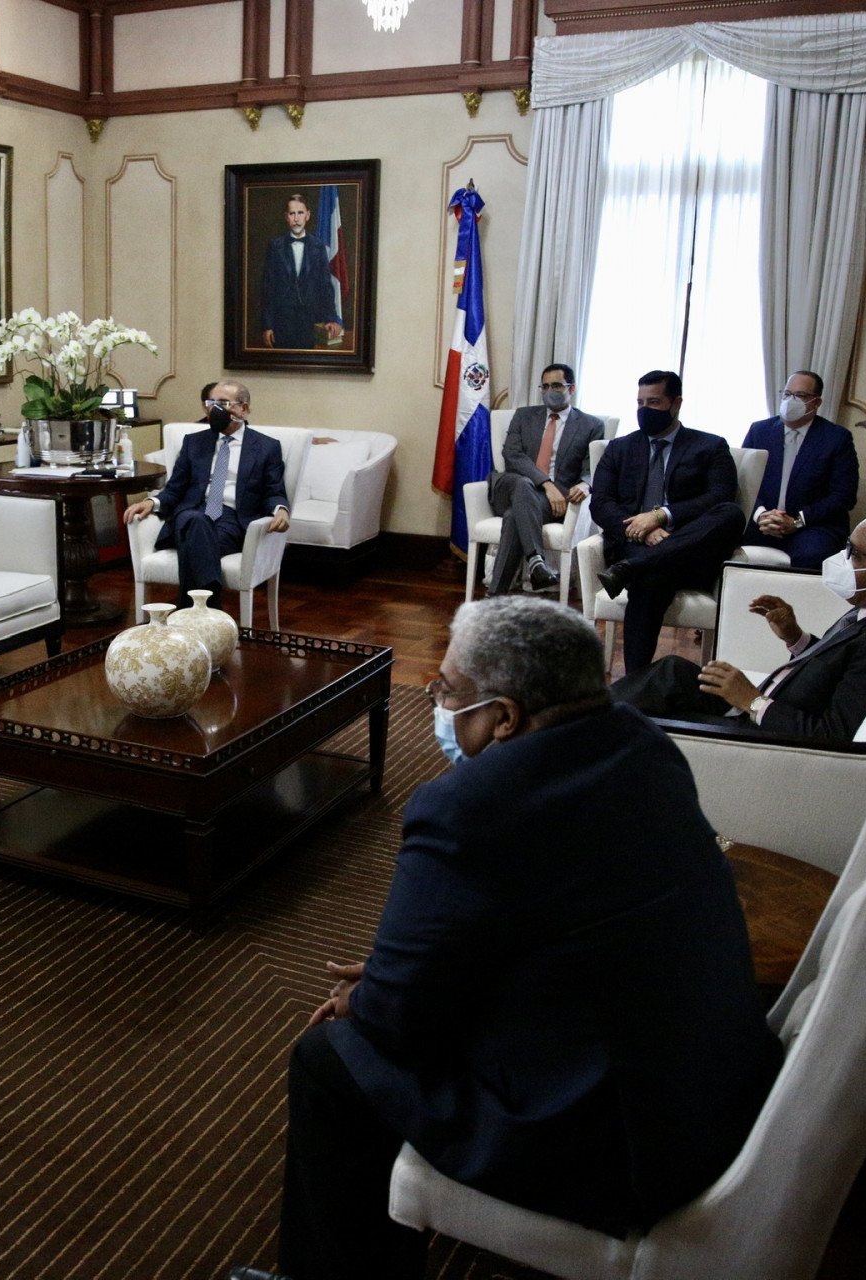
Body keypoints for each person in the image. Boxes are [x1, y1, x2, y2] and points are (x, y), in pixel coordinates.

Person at [227, 597, 780, 1280]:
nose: (437, 703)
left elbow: (396, 1022)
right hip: (708, 1092)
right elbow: (546, 915)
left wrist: (372, 997)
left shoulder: (469, 806)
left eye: (447, 691)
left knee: (331, 1059)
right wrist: (404, 977)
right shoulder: (644, 744)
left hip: (614, 1145)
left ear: (506, 717)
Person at [611, 505, 866, 741]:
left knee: (638, 717)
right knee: (671, 671)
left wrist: (752, 701)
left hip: (762, 732)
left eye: (855, 554)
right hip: (770, 703)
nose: (843, 559)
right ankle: (586, 716)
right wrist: (795, 638)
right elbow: (841, 667)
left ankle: (584, 728)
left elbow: (834, 735)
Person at [589, 370, 748, 674]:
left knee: (731, 513)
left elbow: (720, 496)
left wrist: (661, 515)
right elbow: (601, 503)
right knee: (651, 578)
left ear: (676, 404)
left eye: (654, 402)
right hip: (635, 545)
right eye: (640, 402)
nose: (644, 409)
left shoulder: (710, 446)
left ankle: (633, 569)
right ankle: (636, 682)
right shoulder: (619, 448)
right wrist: (641, 530)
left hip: (691, 551)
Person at [122, 381, 289, 607]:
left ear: (243, 409)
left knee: (195, 543)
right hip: (191, 512)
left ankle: (194, 611)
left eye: (224, 403)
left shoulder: (266, 447)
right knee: (196, 521)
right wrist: (152, 502)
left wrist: (281, 510)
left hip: (232, 521)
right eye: (212, 403)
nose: (215, 409)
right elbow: (175, 488)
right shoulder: (194, 442)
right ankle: (208, 608)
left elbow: (274, 490)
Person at [486, 362, 603, 595]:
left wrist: (585, 483)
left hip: (548, 502)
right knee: (522, 483)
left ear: (571, 388)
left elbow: (593, 466)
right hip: (510, 488)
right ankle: (536, 563)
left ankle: (500, 591)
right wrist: (546, 483)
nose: (550, 391)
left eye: (556, 386)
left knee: (514, 517)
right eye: (545, 386)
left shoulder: (591, 425)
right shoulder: (524, 415)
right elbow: (512, 455)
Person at [740, 370, 859, 568]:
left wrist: (797, 521)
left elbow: (844, 496)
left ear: (816, 402)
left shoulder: (836, 438)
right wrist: (760, 514)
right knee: (720, 539)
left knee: (811, 555)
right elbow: (743, 482)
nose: (791, 401)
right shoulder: (759, 431)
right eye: (787, 394)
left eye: (800, 395)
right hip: (763, 521)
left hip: (813, 526)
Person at [260, 194, 344, 350]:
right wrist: (267, 325)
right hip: (281, 324)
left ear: (308, 215)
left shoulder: (318, 247)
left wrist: (331, 318)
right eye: (292, 213)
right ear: (286, 217)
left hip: (309, 323)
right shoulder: (275, 247)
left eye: (300, 213)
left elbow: (325, 285)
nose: (296, 218)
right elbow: (268, 289)